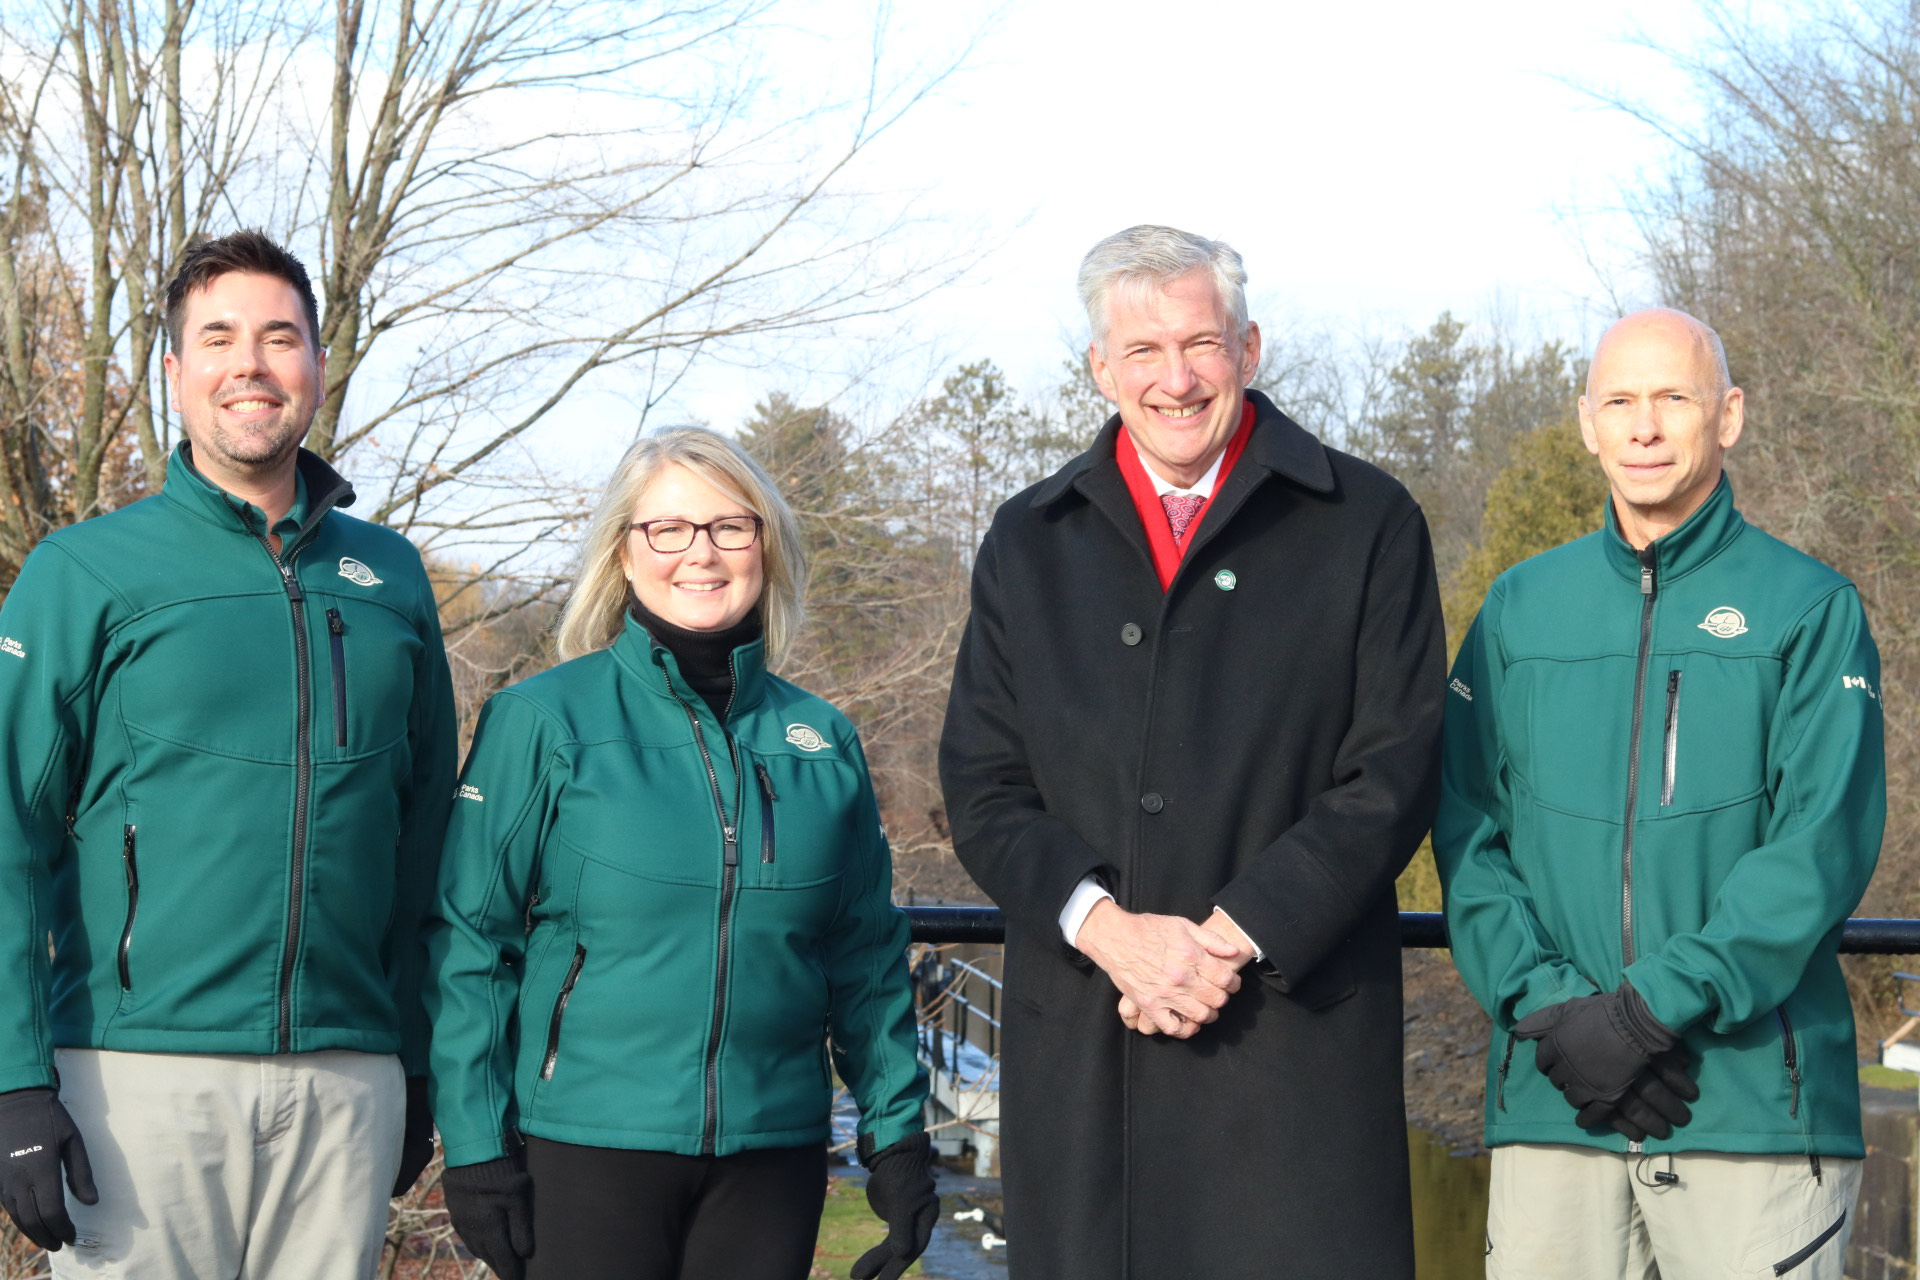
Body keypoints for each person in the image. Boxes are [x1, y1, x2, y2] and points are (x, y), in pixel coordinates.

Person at [938, 224, 1445, 1279]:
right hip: (1087, 1044)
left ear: (1248, 349)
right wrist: (1109, 931)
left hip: (1292, 1049)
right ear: (1100, 368)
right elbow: (983, 785)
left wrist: (1224, 942)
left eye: (1201, 344)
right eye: (1143, 350)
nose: (1176, 379)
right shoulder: (1028, 540)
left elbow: (1394, 772)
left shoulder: (1368, 523)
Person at [0, 230, 455, 1276]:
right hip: (135, 1079)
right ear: (175, 371)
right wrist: (14, 1078)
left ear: (318, 365)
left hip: (347, 1084)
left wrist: (418, 1059)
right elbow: (8, 833)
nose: (250, 363)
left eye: (279, 337)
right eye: (218, 338)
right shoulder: (86, 572)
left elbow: (427, 838)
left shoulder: (392, 579)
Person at [1435, 308, 1884, 1279]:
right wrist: (1558, 1014)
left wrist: (1646, 1014)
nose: (1644, 427)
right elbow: (1468, 833)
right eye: (1621, 402)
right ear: (1587, 422)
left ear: (1728, 416)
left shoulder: (1809, 607)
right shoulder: (1517, 609)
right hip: (1555, 1101)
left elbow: (1819, 846)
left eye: (1674, 398)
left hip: (1751, 1109)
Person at [424, 426, 935, 1280]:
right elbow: (469, 942)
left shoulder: (821, 742)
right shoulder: (544, 722)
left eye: (731, 526)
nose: (701, 552)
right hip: (586, 1148)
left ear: (766, 548)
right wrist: (476, 1146)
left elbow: (867, 958)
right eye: (668, 528)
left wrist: (897, 1137)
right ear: (624, 553)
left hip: (772, 1160)